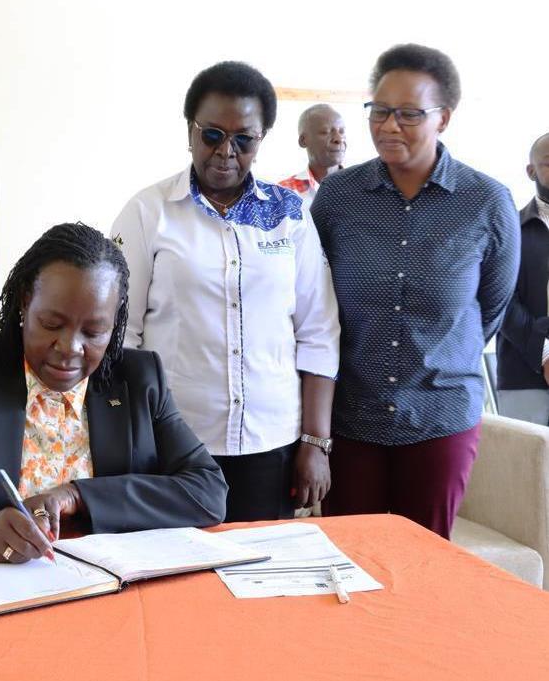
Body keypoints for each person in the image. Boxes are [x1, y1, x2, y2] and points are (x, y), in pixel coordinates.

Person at [0, 223, 227, 561]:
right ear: (25, 302)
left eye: (94, 332)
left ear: (115, 323)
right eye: (52, 324)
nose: (70, 348)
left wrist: (77, 495)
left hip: (113, 584)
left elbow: (208, 490)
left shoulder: (139, 378)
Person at [111, 61, 340, 523]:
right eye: (212, 135)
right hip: (174, 443)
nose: (226, 151)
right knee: (178, 566)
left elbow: (318, 330)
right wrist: (131, 434)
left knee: (263, 564)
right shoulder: (149, 212)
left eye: (244, 139)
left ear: (261, 138)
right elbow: (121, 335)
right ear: (190, 131)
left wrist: (315, 443)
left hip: (270, 442)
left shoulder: (289, 214)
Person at [311, 44, 520, 538]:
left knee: (426, 563)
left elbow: (490, 309)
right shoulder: (338, 198)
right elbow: (313, 303)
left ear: (443, 118)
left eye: (408, 113)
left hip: (439, 420)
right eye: (379, 111)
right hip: (351, 420)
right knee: (350, 558)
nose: (389, 126)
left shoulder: (487, 202)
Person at [497, 133, 549, 423]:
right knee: (530, 453)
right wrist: (545, 352)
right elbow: (500, 299)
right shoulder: (510, 230)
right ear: (531, 171)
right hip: (523, 376)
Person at [278, 104, 347, 204]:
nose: (339, 139)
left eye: (342, 131)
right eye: (326, 131)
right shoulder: (282, 194)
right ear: (303, 140)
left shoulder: (363, 186)